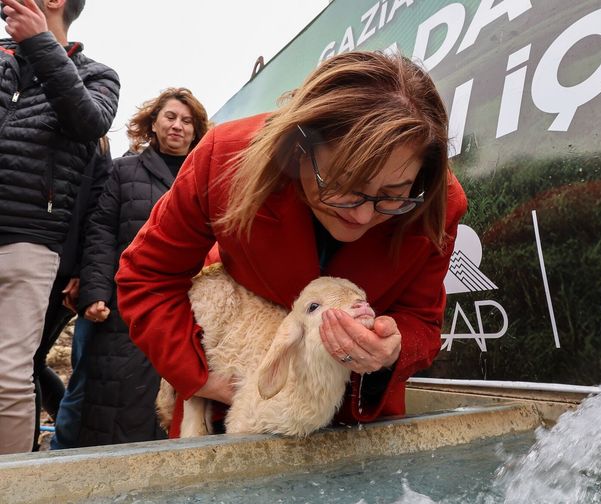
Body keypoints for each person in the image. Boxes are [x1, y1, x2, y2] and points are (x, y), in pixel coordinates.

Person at [114, 51, 467, 438]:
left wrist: (392, 348)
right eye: (342, 186)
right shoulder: (225, 157)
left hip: (353, 423)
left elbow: (423, 321)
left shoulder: (439, 202)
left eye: (392, 195)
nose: (363, 216)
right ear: (299, 147)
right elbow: (146, 276)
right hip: (227, 411)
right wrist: (202, 378)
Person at [0, 0, 120, 455]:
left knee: (10, 374)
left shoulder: (97, 75)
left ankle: (11, 484)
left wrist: (89, 280)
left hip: (32, 243)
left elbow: (89, 122)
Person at [74, 88, 209, 447]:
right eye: (170, 117)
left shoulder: (205, 174)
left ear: (197, 131)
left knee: (181, 398)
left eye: (186, 120)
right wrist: (96, 291)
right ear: (154, 122)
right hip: (126, 303)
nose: (177, 126)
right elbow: (101, 231)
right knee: (116, 398)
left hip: (191, 305)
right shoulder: (123, 171)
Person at [33, 136, 111, 451]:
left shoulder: (96, 145)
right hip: (27, 254)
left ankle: (29, 450)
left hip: (63, 273)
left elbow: (97, 215)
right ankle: (63, 424)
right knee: (27, 362)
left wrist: (82, 271)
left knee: (28, 363)